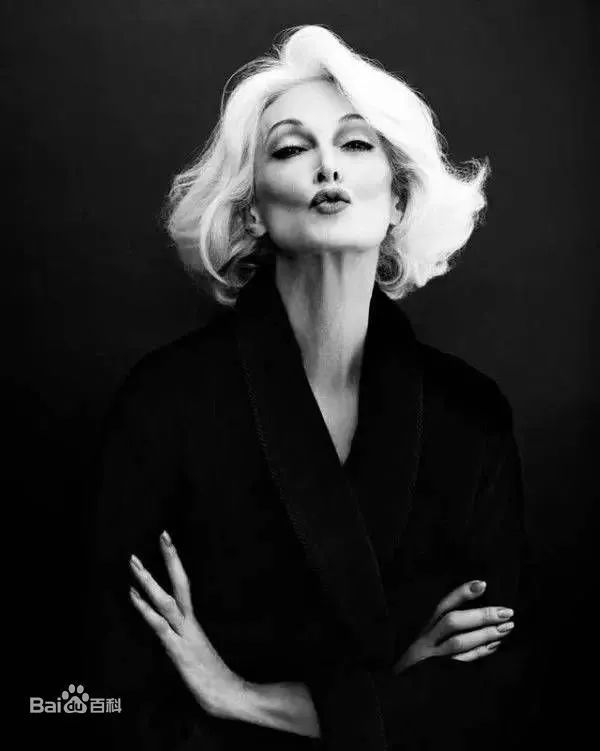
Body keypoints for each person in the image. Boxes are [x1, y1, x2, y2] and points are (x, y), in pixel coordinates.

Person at [91, 24, 539, 751]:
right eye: (291, 148)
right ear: (252, 210)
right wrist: (392, 695)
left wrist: (253, 700)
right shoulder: (165, 402)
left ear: (398, 199)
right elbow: (104, 690)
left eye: (355, 144)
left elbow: (498, 683)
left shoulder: (471, 414)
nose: (327, 165)